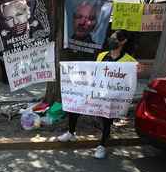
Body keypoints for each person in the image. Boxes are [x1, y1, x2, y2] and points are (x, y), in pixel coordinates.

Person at [57, 29, 137, 159]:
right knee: (75, 105)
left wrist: (136, 71)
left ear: (123, 41)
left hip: (111, 97)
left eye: (114, 38)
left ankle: (102, 145)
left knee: (107, 119)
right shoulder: (102, 55)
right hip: (96, 93)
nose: (111, 41)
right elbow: (94, 72)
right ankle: (71, 132)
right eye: (111, 38)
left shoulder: (129, 61)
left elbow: (129, 82)